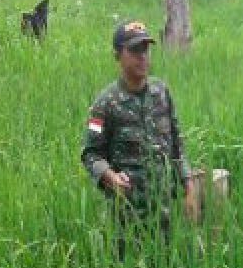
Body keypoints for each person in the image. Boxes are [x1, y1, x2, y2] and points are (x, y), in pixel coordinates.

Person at [81, 21, 198, 252]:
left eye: (145, 49)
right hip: (126, 219)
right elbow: (90, 154)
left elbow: (176, 145)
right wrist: (110, 176)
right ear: (118, 56)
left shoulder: (162, 93)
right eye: (134, 50)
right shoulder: (104, 104)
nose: (142, 57)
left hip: (163, 214)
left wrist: (188, 185)